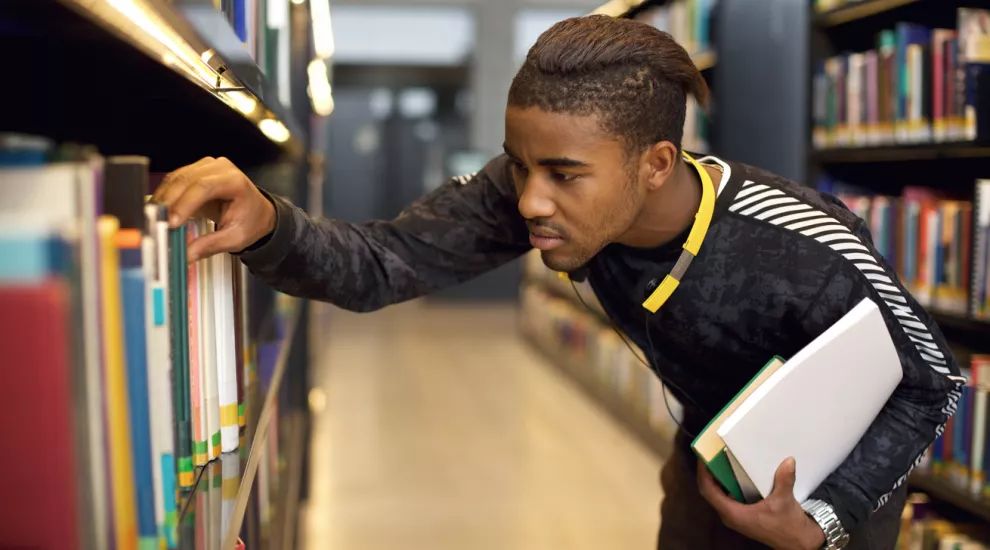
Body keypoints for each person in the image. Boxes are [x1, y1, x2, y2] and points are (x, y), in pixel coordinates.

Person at [152, 15, 964, 550]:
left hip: (831, 499)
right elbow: (384, 262)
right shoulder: (536, 195)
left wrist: (824, 521)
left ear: (655, 164)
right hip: (704, 469)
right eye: (519, 164)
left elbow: (934, 384)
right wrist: (268, 222)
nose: (529, 199)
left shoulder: (800, 243)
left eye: (565, 174)